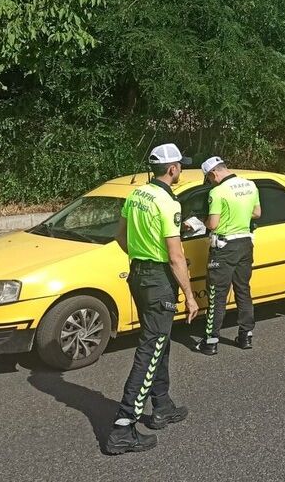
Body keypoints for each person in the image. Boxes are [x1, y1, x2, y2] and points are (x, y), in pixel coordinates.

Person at [104, 143, 200, 455]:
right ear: (172, 169)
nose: (181, 170)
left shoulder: (137, 195)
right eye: (180, 166)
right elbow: (175, 257)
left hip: (138, 275)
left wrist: (140, 258)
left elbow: (121, 235)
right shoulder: (168, 203)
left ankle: (162, 405)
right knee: (150, 349)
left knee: (160, 340)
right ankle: (123, 426)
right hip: (159, 280)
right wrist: (190, 295)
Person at [195, 157, 260, 355]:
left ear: (213, 174)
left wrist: (198, 222)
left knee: (217, 294)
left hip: (224, 247)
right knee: (243, 290)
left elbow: (213, 224)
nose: (209, 183)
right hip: (245, 244)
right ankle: (246, 336)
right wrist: (239, 216)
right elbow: (257, 213)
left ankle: (211, 340)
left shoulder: (217, 192)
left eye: (208, 179)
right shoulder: (250, 185)